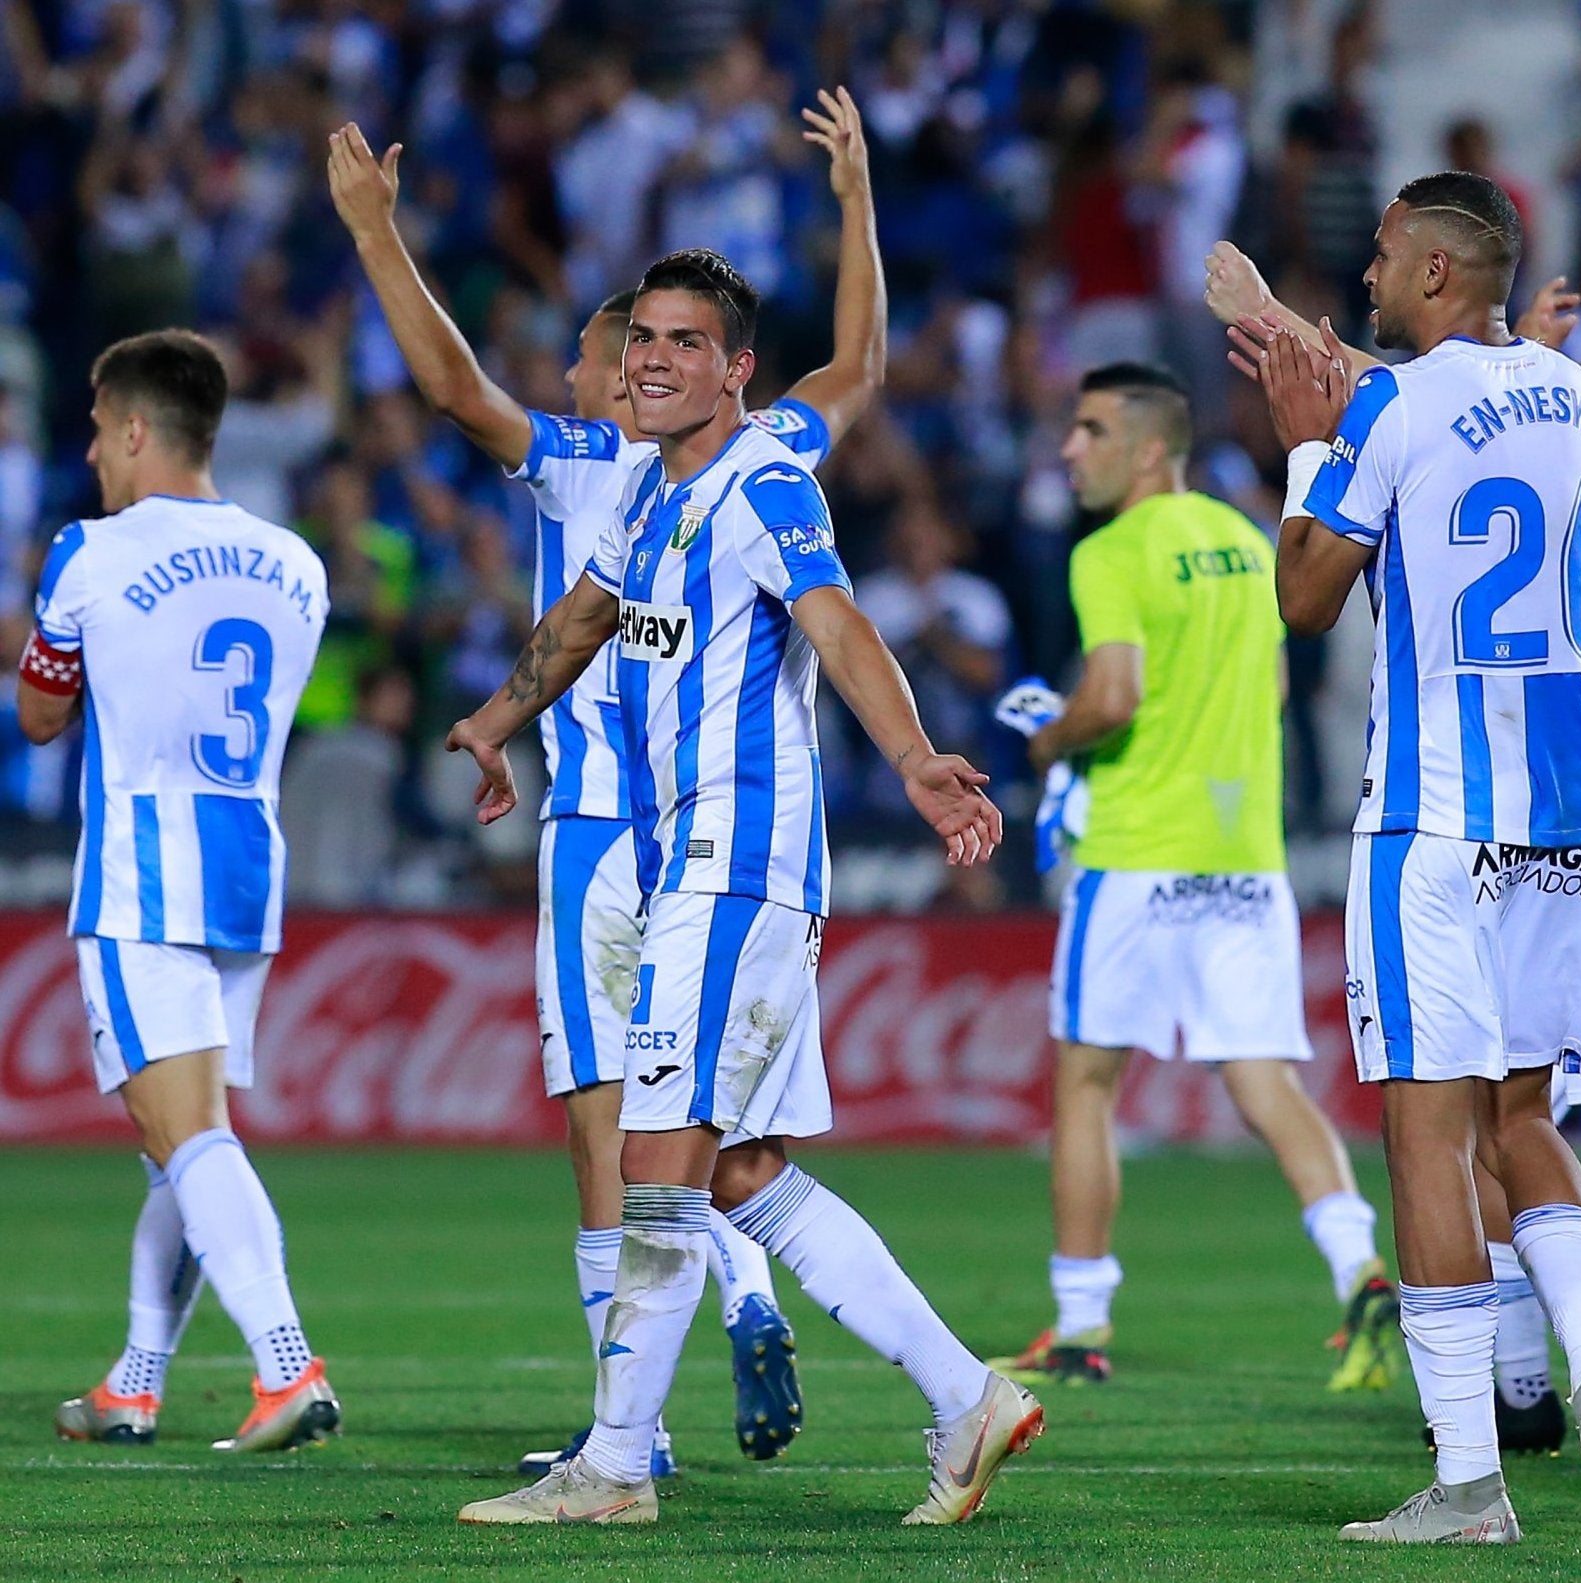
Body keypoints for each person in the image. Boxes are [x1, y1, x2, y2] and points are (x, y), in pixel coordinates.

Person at [325, 90, 884, 1471]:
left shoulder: (587, 466)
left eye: (622, 344)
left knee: (606, 1134)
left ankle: (624, 1426)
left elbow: (455, 391)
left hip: (602, 836)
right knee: (710, 1125)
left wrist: (373, 236)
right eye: (619, 342)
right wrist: (856, 203)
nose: (609, 362)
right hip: (728, 832)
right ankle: (739, 1316)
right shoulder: (761, 455)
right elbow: (857, 365)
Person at [444, 247, 1035, 1527]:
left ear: (735, 368)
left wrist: (919, 757)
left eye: (682, 342)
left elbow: (836, 621)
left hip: (738, 860)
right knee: (738, 1168)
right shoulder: (650, 494)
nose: (651, 359)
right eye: (640, 338)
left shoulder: (763, 479)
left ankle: (612, 1464)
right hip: (681, 862)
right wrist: (494, 719)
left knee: (656, 1157)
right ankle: (964, 1394)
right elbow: (585, 618)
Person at [1248, 172, 1581, 1545]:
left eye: (1379, 254)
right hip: (1565, 810)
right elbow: (1441, 401)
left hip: (1434, 818)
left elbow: (1305, 599)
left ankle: (1471, 1480)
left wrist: (1304, 446)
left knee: (1424, 1134)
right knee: (1524, 1114)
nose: (1365, 270)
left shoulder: (1381, 411)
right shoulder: (1566, 389)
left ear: (1431, 272)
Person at [987, 362, 1394, 1393]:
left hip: (1135, 854)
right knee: (1265, 1083)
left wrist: (1049, 741)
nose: (1069, 448)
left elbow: (1113, 694)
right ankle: (1361, 1274)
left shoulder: (1114, 550)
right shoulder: (1243, 541)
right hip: (1240, 858)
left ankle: (1079, 1324)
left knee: (1085, 1082)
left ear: (1148, 448)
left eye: (1088, 429)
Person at [30, 330, 336, 1453]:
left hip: (141, 876)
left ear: (138, 429)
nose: (96, 454)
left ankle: (286, 1364)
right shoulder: (296, 562)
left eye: (103, 431)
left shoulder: (89, 551)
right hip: (247, 873)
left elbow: (39, 713)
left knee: (190, 1137)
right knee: (183, 1144)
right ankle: (137, 1378)